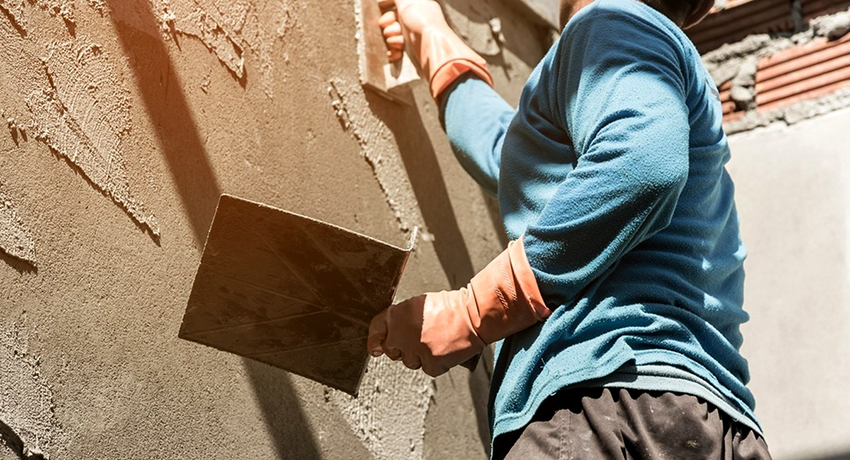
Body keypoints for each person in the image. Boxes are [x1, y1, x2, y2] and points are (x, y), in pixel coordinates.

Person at [366, 0, 773, 458]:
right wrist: (432, 39)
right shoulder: (639, 54)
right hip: (705, 419)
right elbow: (510, 153)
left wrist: (475, 311)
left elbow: (641, 164)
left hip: (609, 403)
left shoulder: (612, 19)